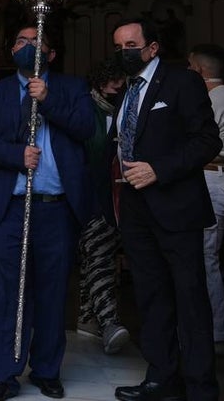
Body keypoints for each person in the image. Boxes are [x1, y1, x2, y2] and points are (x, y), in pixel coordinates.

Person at [0, 26, 95, 401]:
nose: (27, 47)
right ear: (11, 50)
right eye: (20, 42)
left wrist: (49, 99)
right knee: (7, 292)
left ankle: (46, 369)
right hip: (11, 207)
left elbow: (86, 129)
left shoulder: (72, 88)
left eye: (36, 42)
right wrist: (17, 156)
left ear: (52, 53)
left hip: (55, 208)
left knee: (52, 291)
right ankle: (2, 373)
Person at [111, 18, 222, 401]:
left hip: (176, 207)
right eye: (118, 46)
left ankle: (201, 388)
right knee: (151, 296)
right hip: (137, 210)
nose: (123, 52)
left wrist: (160, 169)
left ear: (152, 48)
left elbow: (208, 140)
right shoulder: (127, 91)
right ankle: (161, 379)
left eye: (130, 45)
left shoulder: (181, 82)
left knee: (190, 299)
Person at [186, 44, 224, 357]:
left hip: (213, 178)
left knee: (206, 259)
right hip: (215, 179)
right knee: (202, 257)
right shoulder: (223, 97)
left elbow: (196, 141)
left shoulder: (215, 99)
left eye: (189, 67)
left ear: (201, 71)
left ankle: (215, 333)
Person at [75, 57, 131, 354]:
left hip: (118, 197)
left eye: (121, 82)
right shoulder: (87, 109)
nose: (117, 87)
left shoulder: (124, 109)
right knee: (99, 257)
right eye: (112, 81)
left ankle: (87, 319)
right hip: (93, 197)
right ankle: (109, 321)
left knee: (99, 257)